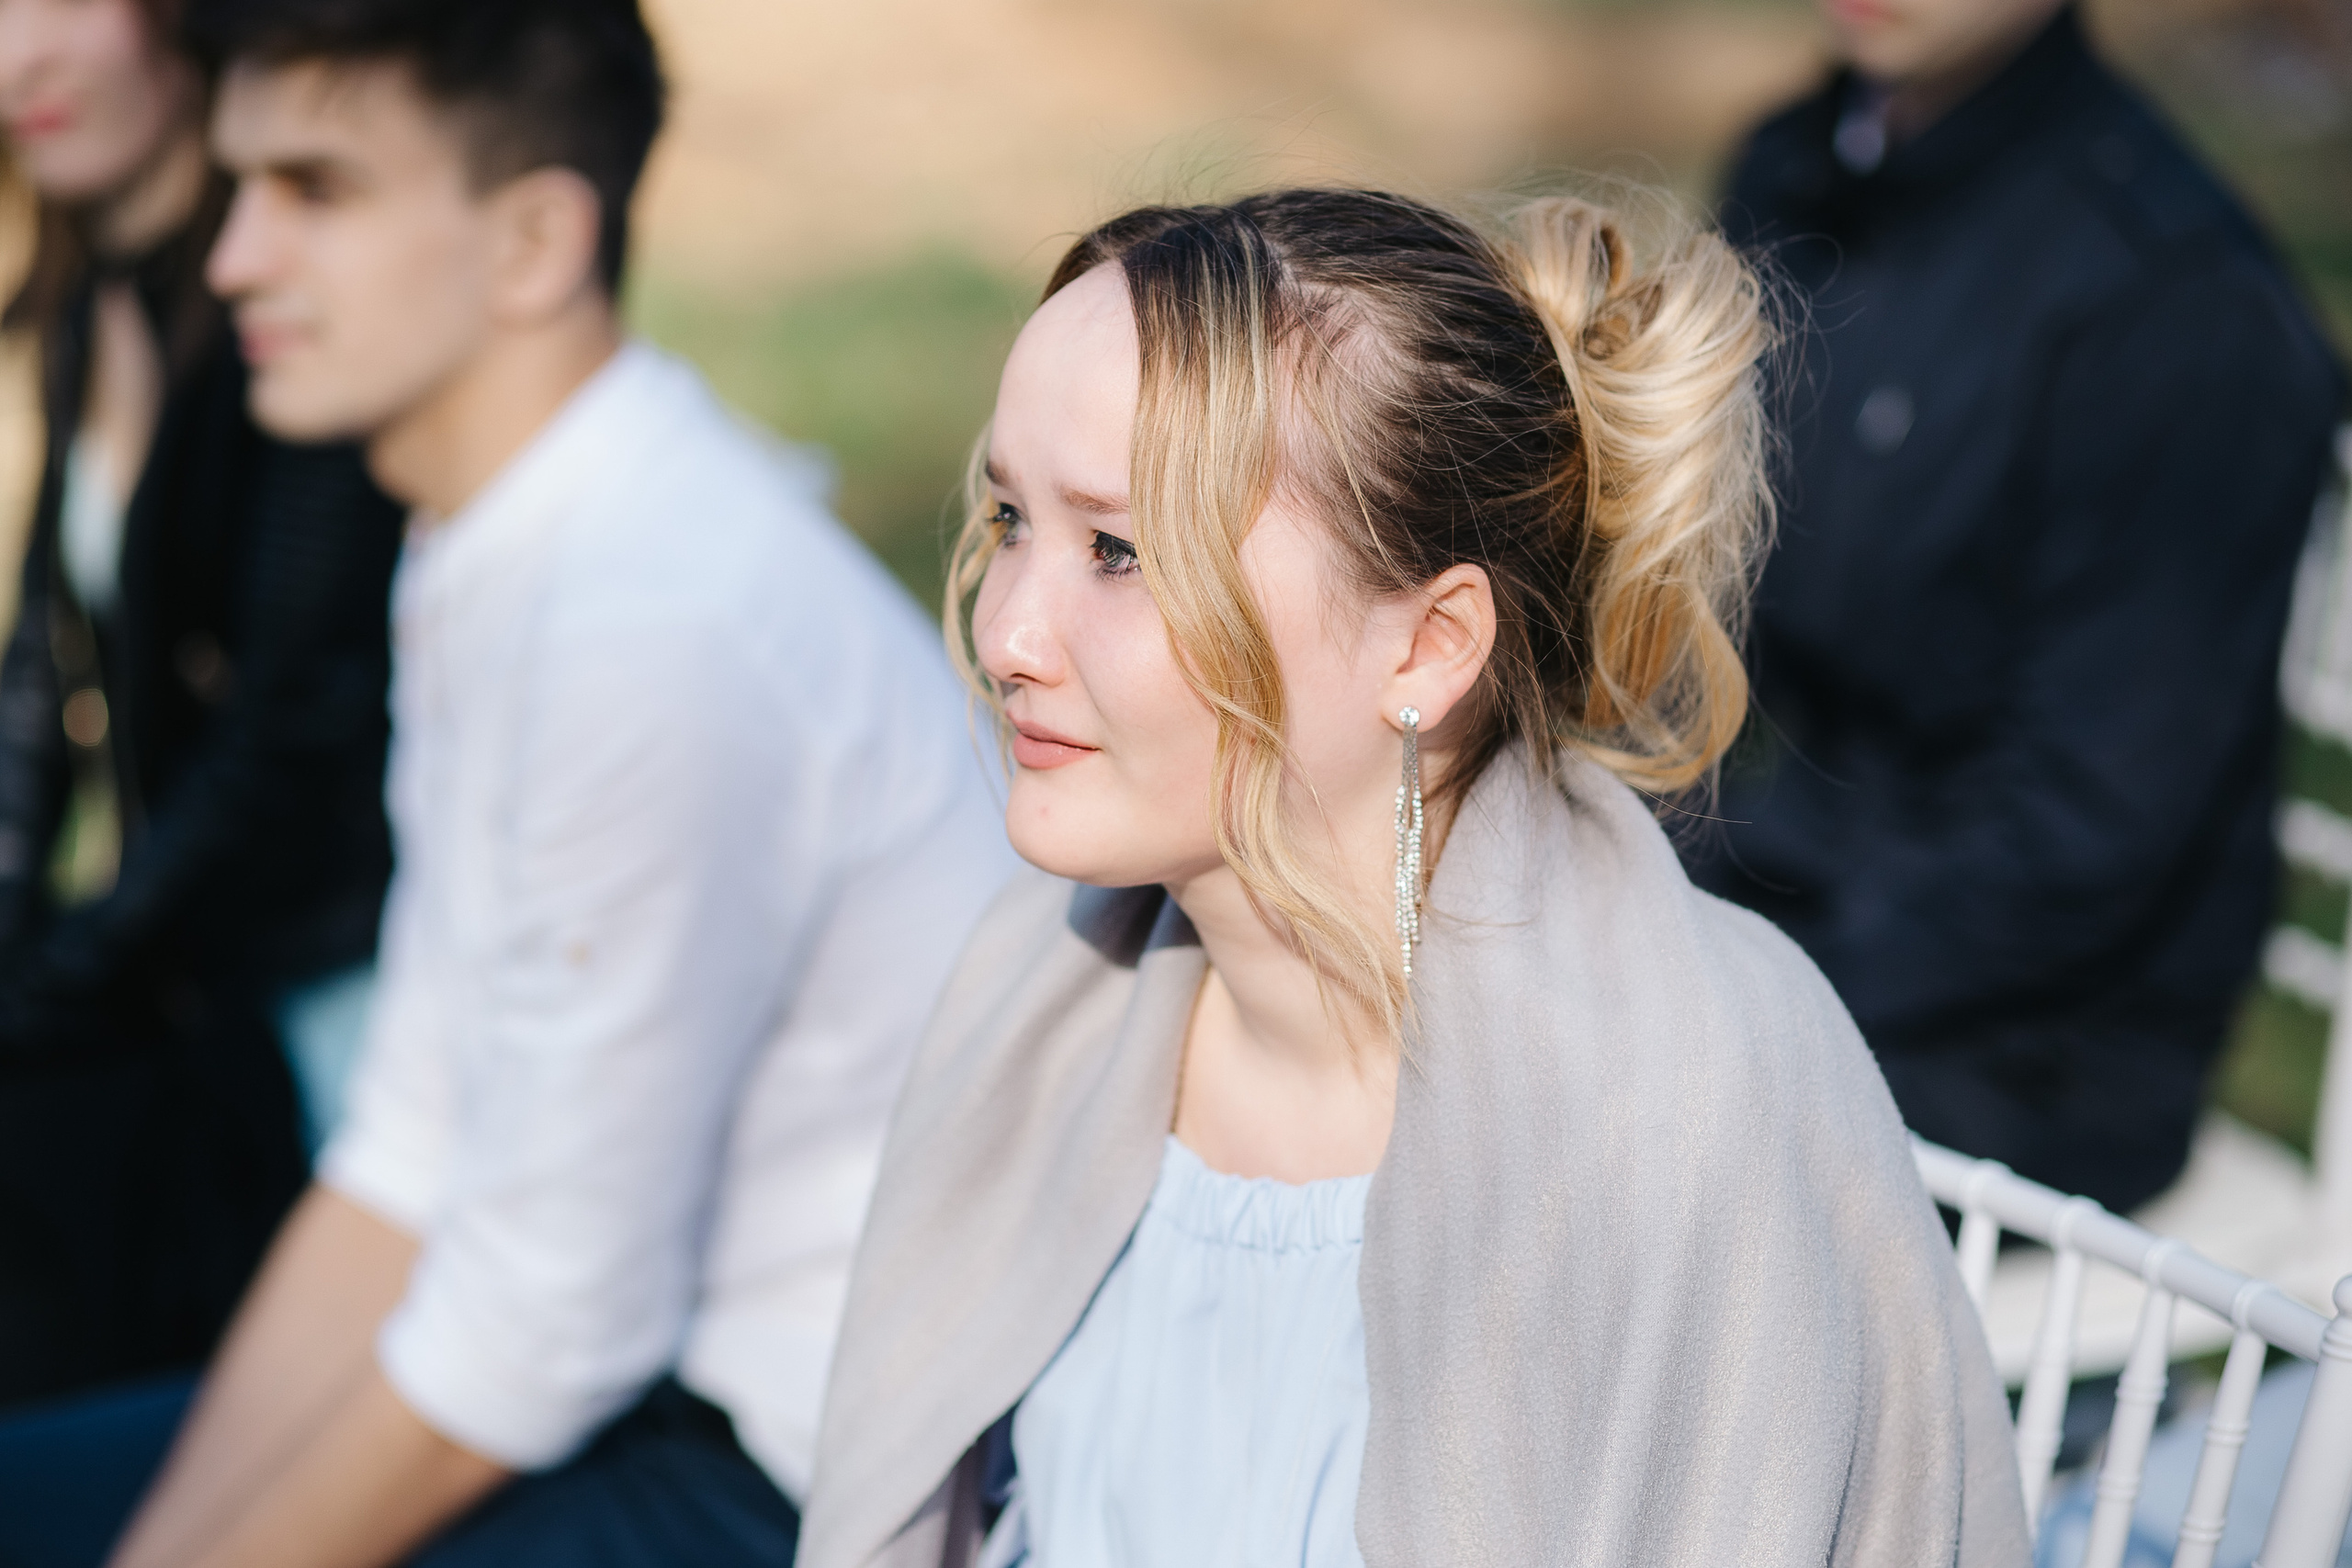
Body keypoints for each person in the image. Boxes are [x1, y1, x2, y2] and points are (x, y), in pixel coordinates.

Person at [798, 188, 2030, 1567]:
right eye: (1012, 518)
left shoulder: (1678, 1119)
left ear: (1429, 647)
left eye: (1122, 551)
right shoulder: (1041, 984)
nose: (1007, 627)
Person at [0, 1, 1012, 1564]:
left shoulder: (654, 614)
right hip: (607, 1382)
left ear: (535, 240)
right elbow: (405, 1158)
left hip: (790, 1477)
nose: (232, 257)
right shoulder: (488, 535)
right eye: (241, 181)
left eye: (315, 192)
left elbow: (539, 1329)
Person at [1682, 0, 2347, 1213]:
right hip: (1773, 895)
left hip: (2023, 1047)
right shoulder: (1792, 170)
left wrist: (1722, 992)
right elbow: (1681, 619)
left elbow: (2085, 839)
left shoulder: (2178, 305)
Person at [0, 0, 402, 1410]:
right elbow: (47, 669)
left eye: (63, 2)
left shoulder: (295, 319)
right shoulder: (89, 295)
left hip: (342, 997)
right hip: (188, 968)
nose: (14, 60)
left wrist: (49, 988)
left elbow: (289, 739)